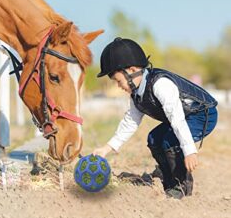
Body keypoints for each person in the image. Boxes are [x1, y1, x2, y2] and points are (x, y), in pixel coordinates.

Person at [93, 37, 218, 199]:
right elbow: (130, 122)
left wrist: (189, 151)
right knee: (154, 138)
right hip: (184, 118)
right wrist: (107, 148)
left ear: (131, 71)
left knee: (169, 140)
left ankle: (181, 185)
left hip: (202, 115)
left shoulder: (160, 85)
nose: (118, 86)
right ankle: (168, 177)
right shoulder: (136, 94)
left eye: (118, 81)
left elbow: (177, 118)